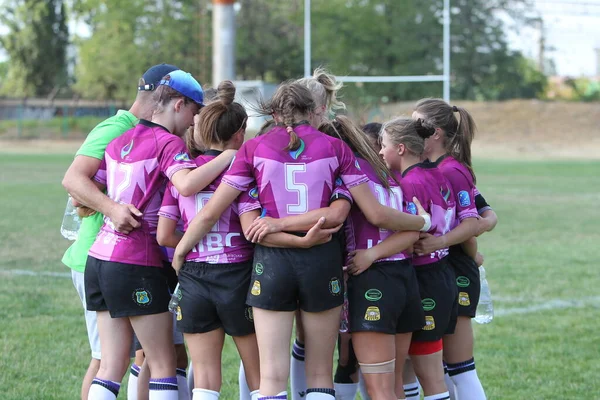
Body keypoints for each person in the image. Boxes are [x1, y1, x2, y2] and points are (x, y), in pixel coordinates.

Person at [173, 81, 431, 400]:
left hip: (272, 263)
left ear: (274, 113)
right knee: (320, 372)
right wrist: (421, 222)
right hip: (322, 262)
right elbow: (357, 213)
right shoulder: (336, 148)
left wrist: (182, 249)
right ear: (313, 112)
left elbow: (212, 212)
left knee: (271, 377)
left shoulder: (254, 148)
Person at [83, 70, 235, 400]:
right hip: (136, 262)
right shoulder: (168, 142)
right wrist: (228, 157)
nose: (195, 122)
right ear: (179, 105)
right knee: (163, 363)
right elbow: (186, 184)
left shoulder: (119, 140)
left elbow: (88, 194)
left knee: (110, 366)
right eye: (195, 112)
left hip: (99, 259)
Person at [61, 63, 179, 400]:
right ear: (168, 99)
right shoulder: (118, 128)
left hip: (131, 258)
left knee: (143, 357)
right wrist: (113, 209)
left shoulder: (159, 134)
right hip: (101, 256)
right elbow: (73, 180)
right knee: (106, 360)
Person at [155, 80, 262, 400]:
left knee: (204, 375)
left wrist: (192, 246)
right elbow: (249, 228)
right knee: (259, 372)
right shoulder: (242, 173)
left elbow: (164, 235)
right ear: (240, 133)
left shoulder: (184, 173)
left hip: (194, 277)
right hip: (237, 275)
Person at [326, 117, 426, 400]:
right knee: (394, 385)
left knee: (381, 391)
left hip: (373, 283)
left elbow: (365, 217)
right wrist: (422, 221)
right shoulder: (389, 174)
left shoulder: (349, 173)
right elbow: (412, 233)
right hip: (404, 279)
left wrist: (370, 254)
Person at [410, 99, 495, 400]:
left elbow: (473, 222)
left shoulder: (451, 170)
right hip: (441, 268)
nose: (410, 129)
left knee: (460, 368)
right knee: (443, 369)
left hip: (454, 269)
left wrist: (444, 244)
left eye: (416, 124)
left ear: (434, 133)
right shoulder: (431, 169)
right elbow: (487, 216)